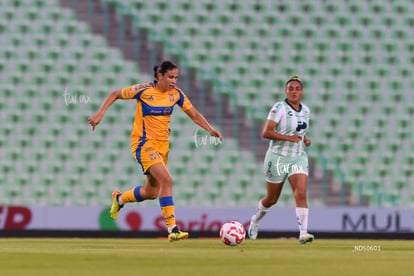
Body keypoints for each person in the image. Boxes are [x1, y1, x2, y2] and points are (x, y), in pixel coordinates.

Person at [88, 61, 222, 241]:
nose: (174, 81)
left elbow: (194, 114)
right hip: (143, 144)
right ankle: (172, 228)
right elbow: (115, 94)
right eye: (170, 77)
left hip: (162, 147)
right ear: (160, 76)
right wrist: (100, 114)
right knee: (167, 179)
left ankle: (119, 199)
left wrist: (209, 129)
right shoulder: (143, 91)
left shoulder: (176, 94)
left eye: (176, 77)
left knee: (150, 192)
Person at [247, 75, 314, 244]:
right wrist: (287, 138)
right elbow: (266, 132)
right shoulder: (279, 108)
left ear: (302, 92)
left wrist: (305, 139)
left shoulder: (306, 110)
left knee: (300, 193)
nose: (294, 91)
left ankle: (303, 233)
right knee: (272, 199)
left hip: (298, 157)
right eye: (290, 88)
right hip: (277, 158)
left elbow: (300, 131)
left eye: (297, 89)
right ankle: (255, 220)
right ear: (286, 91)